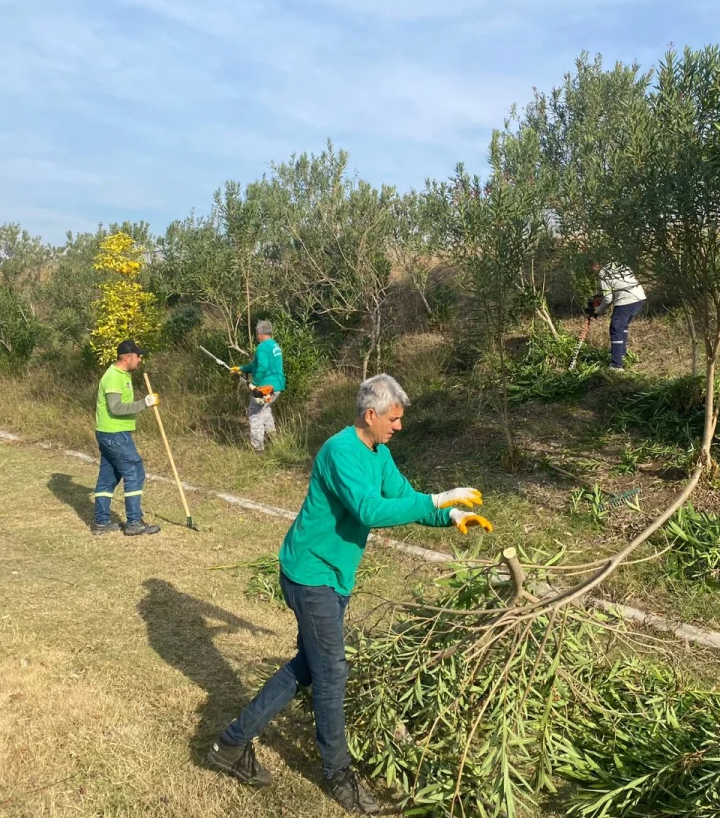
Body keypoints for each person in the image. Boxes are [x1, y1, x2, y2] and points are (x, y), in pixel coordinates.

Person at [206, 373, 492, 814]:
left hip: (333, 576)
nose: (399, 427)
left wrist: (449, 516)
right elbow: (369, 510)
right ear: (371, 414)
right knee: (333, 672)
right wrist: (436, 500)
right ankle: (339, 775)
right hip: (310, 573)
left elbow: (404, 498)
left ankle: (230, 745)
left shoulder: (379, 454)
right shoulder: (341, 450)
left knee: (309, 665)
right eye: (394, 420)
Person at [92, 339, 161, 536]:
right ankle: (134, 523)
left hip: (109, 432)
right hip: (115, 433)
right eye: (138, 356)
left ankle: (101, 523)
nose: (140, 360)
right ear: (127, 357)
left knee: (108, 477)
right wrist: (144, 403)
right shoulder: (114, 377)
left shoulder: (123, 374)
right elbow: (115, 407)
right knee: (134, 472)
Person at [230, 320, 286, 453]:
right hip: (276, 387)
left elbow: (262, 366)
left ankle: (258, 449)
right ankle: (274, 440)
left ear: (259, 333)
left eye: (256, 333)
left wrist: (254, 383)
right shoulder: (274, 346)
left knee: (254, 413)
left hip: (264, 388)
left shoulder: (262, 347)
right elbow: (256, 365)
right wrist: (241, 369)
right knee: (265, 411)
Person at [588, 259, 647, 370]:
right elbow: (618, 284)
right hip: (639, 297)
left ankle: (616, 365)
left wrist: (598, 310)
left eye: (591, 267)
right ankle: (621, 353)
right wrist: (599, 295)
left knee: (615, 329)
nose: (592, 270)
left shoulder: (603, 273)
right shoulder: (619, 264)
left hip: (626, 300)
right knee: (622, 327)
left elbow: (608, 298)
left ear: (596, 265)